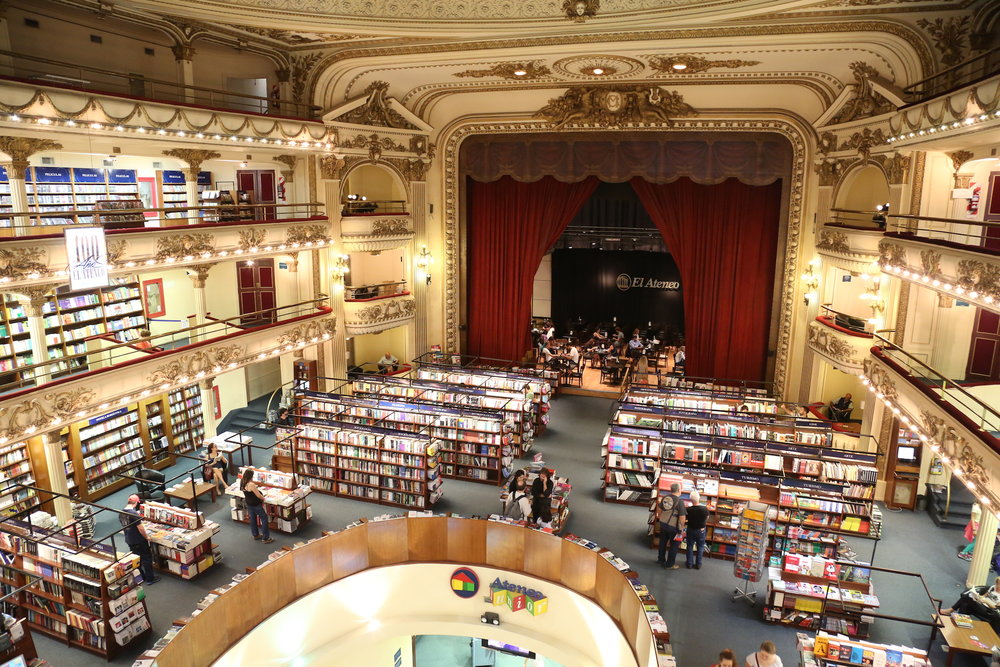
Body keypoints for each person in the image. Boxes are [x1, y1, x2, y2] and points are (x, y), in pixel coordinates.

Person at [119, 495, 159, 584]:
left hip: (129, 540)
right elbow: (141, 528)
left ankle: (141, 577)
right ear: (136, 502)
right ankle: (150, 579)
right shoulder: (133, 513)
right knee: (146, 558)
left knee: (137, 560)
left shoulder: (121, 512)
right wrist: (147, 537)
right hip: (139, 540)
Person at [655, 482, 687, 569]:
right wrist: (682, 528)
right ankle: (669, 564)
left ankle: (661, 559)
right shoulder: (679, 502)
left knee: (662, 543)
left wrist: (661, 518)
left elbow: (659, 510)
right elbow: (682, 518)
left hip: (663, 524)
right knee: (674, 546)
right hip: (673, 527)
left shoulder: (665, 498)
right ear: (679, 490)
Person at [241, 469, 272, 543]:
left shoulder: (242, 482)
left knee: (253, 519)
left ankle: (255, 534)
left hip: (249, 503)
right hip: (255, 504)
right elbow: (258, 495)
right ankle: (265, 538)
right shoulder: (251, 484)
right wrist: (264, 498)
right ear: (250, 476)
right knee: (264, 518)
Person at [685, 490, 709, 569]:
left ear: (691, 499)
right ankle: (698, 564)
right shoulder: (704, 509)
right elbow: (707, 518)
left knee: (690, 546)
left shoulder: (689, 509)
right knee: (701, 547)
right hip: (701, 530)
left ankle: (689, 563)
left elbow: (686, 519)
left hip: (691, 530)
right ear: (699, 498)